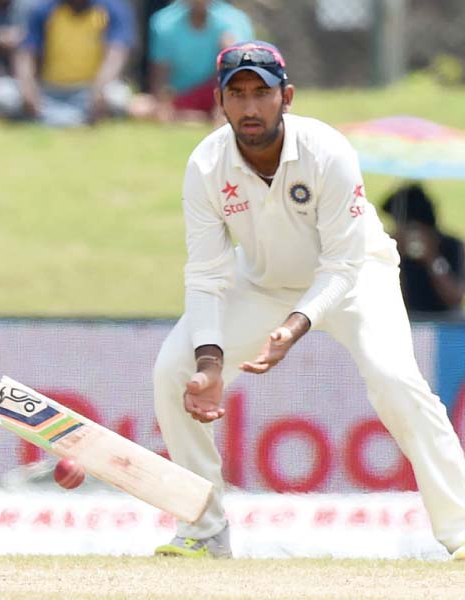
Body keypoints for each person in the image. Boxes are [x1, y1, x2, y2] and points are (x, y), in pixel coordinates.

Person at [152, 40, 465, 559]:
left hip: (358, 279)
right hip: (262, 286)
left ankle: (460, 528)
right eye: (238, 94)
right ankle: (204, 531)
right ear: (219, 101)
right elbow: (206, 274)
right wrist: (210, 364)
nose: (250, 107)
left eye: (262, 93)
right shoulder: (205, 164)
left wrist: (295, 327)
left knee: (395, 380)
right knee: (174, 371)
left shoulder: (327, 151)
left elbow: (341, 265)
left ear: (287, 96)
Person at [0, 0, 136, 127]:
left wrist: (98, 92)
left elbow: (116, 54)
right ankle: (70, 118)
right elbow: (26, 54)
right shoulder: (43, 8)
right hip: (47, 91)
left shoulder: (111, 8)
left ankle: (49, 119)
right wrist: (29, 92)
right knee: (3, 93)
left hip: (89, 93)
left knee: (118, 96)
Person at [129, 0, 253, 123]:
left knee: (229, 44)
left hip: (218, 94)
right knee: (138, 108)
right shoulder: (164, 22)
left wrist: (221, 106)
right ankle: (197, 118)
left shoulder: (234, 20)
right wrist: (164, 106)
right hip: (180, 97)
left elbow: (238, 70)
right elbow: (160, 76)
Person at [382, 183, 465, 316]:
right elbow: (388, 299)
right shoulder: (392, 248)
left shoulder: (452, 246)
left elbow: (455, 297)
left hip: (445, 326)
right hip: (407, 319)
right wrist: (395, 258)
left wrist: (432, 258)